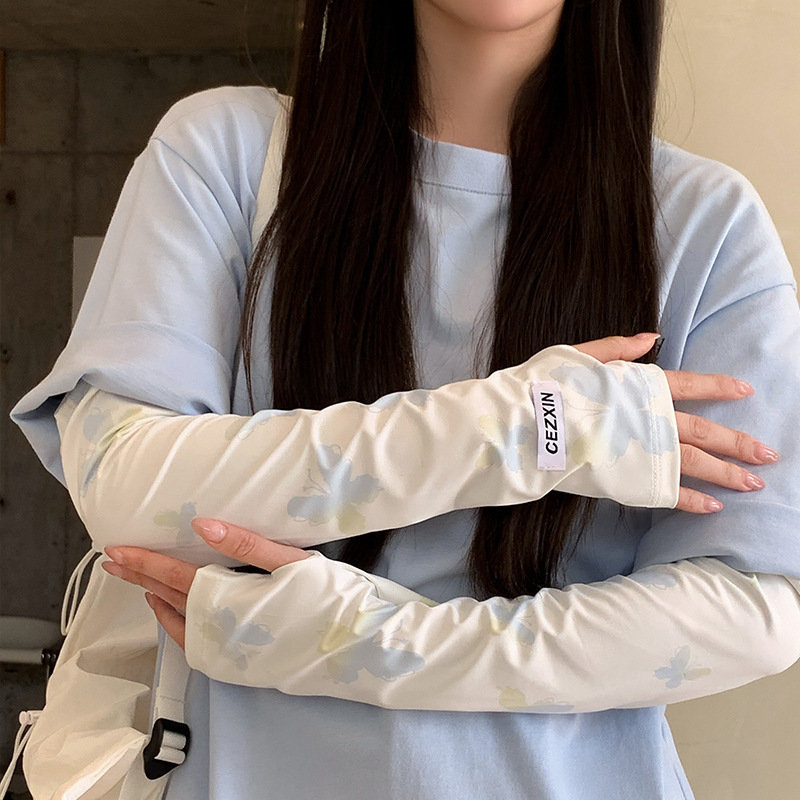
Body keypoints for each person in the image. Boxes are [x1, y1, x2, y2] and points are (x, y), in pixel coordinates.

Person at [10, 1, 800, 798]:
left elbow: (756, 611)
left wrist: (367, 645)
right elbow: (124, 486)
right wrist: (517, 430)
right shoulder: (227, 153)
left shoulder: (705, 222)